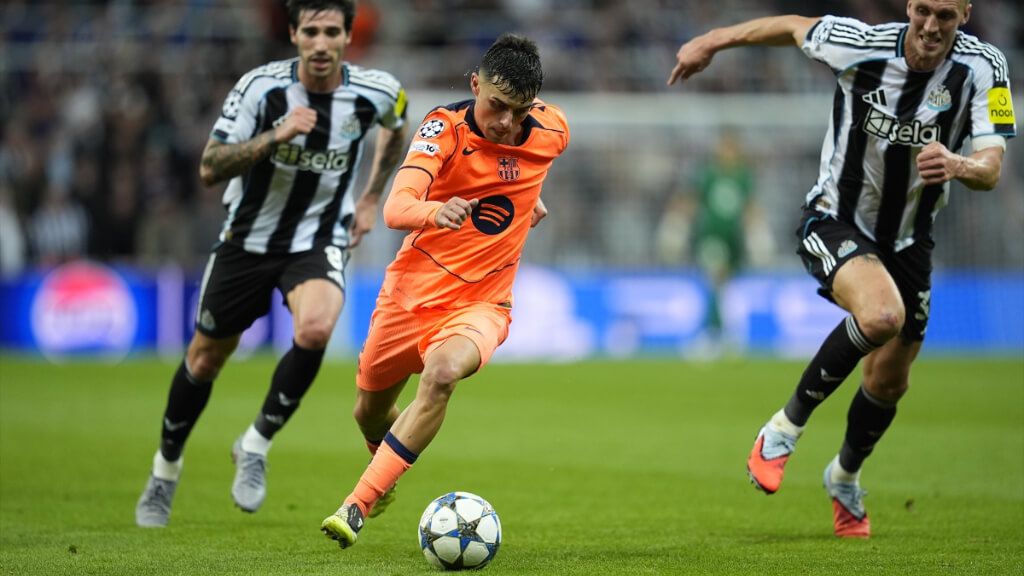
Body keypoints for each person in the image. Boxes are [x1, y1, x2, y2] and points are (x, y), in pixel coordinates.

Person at [668, 0, 1014, 538]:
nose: (930, 25)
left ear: (965, 13)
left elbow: (992, 163)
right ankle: (782, 429)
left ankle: (844, 476)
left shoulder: (986, 66)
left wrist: (960, 165)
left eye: (945, 15)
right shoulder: (859, 43)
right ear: (908, 6)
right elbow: (788, 26)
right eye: (923, 10)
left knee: (889, 381)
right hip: (834, 220)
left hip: (910, 241)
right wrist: (712, 40)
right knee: (881, 316)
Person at [135, 0, 408, 527]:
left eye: (332, 31)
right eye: (311, 31)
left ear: (349, 36)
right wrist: (276, 137)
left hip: (318, 237)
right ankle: (164, 471)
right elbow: (210, 166)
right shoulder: (261, 89)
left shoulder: (375, 90)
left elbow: (398, 124)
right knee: (205, 359)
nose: (322, 43)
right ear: (293, 35)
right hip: (247, 240)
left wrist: (372, 196)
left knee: (316, 326)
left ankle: (255, 443)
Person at [319, 32, 567, 549]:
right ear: (475, 84)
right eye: (496, 105)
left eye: (518, 112)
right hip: (409, 295)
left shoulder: (553, 130)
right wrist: (437, 210)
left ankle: (356, 505)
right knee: (367, 410)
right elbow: (396, 207)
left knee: (442, 374)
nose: (505, 122)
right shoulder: (442, 128)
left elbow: (525, 171)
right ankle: (384, 458)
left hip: (482, 304)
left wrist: (528, 203)